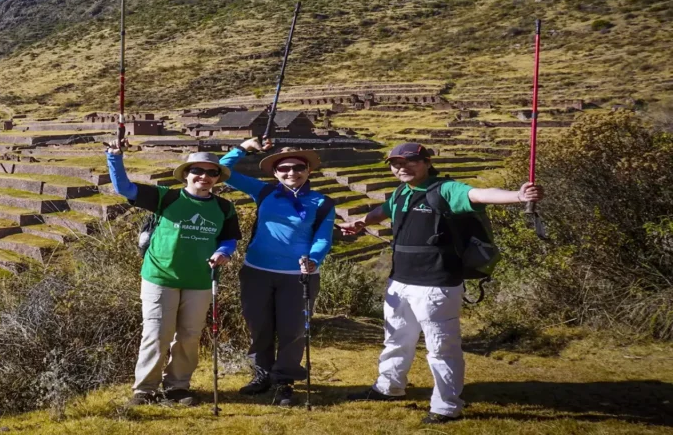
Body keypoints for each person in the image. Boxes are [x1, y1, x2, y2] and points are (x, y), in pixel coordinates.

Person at [340, 142, 543, 424]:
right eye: (396, 163)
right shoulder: (401, 192)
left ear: (426, 162)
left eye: (410, 161)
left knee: (441, 347)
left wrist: (517, 196)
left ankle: (446, 405)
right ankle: (389, 387)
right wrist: (363, 220)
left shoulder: (445, 190)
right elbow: (383, 210)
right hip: (399, 282)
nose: (402, 167)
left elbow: (479, 194)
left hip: (437, 284)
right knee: (396, 339)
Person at [106, 142, 242, 407]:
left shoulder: (225, 208)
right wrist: (114, 157)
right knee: (157, 334)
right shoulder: (165, 197)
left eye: (211, 173)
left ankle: (178, 387)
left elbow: (229, 240)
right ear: (186, 174)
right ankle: (145, 389)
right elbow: (124, 188)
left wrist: (223, 253)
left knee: (189, 336)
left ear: (217, 178)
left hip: (201, 280)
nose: (204, 176)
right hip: (160, 278)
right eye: (197, 171)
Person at [218, 138, 335, 406]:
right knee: (258, 326)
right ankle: (262, 374)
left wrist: (314, 259)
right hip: (257, 271)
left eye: (298, 167)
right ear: (274, 173)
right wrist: (244, 148)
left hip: (299, 276)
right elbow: (223, 171)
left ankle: (284, 380)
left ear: (308, 171)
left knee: (292, 330)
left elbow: (323, 238)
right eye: (284, 168)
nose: (291, 173)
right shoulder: (263, 192)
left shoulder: (322, 202)